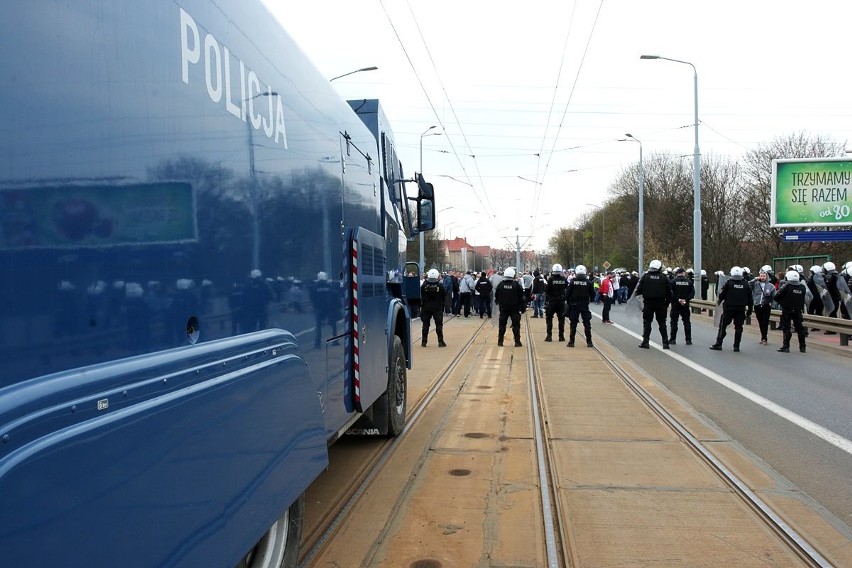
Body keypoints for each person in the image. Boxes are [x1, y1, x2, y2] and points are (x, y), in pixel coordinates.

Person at [710, 266, 753, 352]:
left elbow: (722, 294)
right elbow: (750, 298)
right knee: (739, 328)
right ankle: (736, 346)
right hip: (740, 309)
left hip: (729, 309)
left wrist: (719, 301)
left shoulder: (728, 283)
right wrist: (749, 310)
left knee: (723, 326)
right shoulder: (745, 284)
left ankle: (718, 344)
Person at [634, 259, 671, 349]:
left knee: (647, 323)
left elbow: (638, 290)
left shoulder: (645, 276)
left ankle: (645, 342)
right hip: (661, 303)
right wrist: (666, 304)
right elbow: (669, 292)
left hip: (648, 303)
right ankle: (665, 343)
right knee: (662, 323)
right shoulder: (664, 277)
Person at [775, 270, 807, 353]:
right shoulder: (802, 287)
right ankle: (802, 347)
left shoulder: (786, 286)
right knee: (800, 329)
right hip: (798, 310)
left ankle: (786, 346)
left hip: (787, 310)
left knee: (786, 328)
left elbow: (776, 296)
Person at [565, 264, 595, 347]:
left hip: (574, 305)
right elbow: (593, 294)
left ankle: (571, 341)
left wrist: (569, 301)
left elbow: (567, 294)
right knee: (587, 324)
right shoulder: (588, 282)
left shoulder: (572, 282)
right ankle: (589, 342)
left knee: (573, 324)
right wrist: (590, 299)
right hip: (584, 305)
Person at [495, 267, 525, 347]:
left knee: (502, 325)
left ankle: (500, 341)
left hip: (503, 308)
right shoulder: (516, 285)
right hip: (514, 308)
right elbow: (522, 297)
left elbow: (496, 296)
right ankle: (517, 342)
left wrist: (499, 303)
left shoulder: (500, 285)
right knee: (516, 325)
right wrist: (523, 308)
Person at [420, 269, 447, 347]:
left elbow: (421, 295)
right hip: (437, 308)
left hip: (426, 307)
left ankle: (424, 341)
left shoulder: (424, 285)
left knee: (425, 325)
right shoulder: (440, 285)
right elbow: (444, 295)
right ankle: (440, 341)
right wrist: (442, 305)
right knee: (438, 325)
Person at [750, 269, 776, 345]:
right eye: (761, 276)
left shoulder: (771, 286)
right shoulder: (756, 284)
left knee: (765, 322)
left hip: (766, 306)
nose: (762, 277)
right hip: (757, 305)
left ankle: (764, 338)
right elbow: (748, 284)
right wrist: (755, 279)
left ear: (766, 277)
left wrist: (772, 304)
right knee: (760, 322)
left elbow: (774, 296)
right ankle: (762, 336)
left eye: (764, 276)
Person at [669, 267, 694, 345]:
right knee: (687, 322)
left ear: (677, 273)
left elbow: (670, 293)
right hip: (685, 304)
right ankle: (688, 340)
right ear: (683, 273)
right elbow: (692, 293)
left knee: (674, 322)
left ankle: (673, 339)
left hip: (675, 304)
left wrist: (678, 299)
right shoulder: (689, 282)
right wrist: (685, 299)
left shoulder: (673, 282)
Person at [544, 263, 567, 342]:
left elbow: (546, 290)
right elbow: (566, 288)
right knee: (561, 319)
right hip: (561, 302)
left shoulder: (550, 279)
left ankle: (549, 336)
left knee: (549, 319)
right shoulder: (564, 279)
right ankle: (561, 336)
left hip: (552, 302)